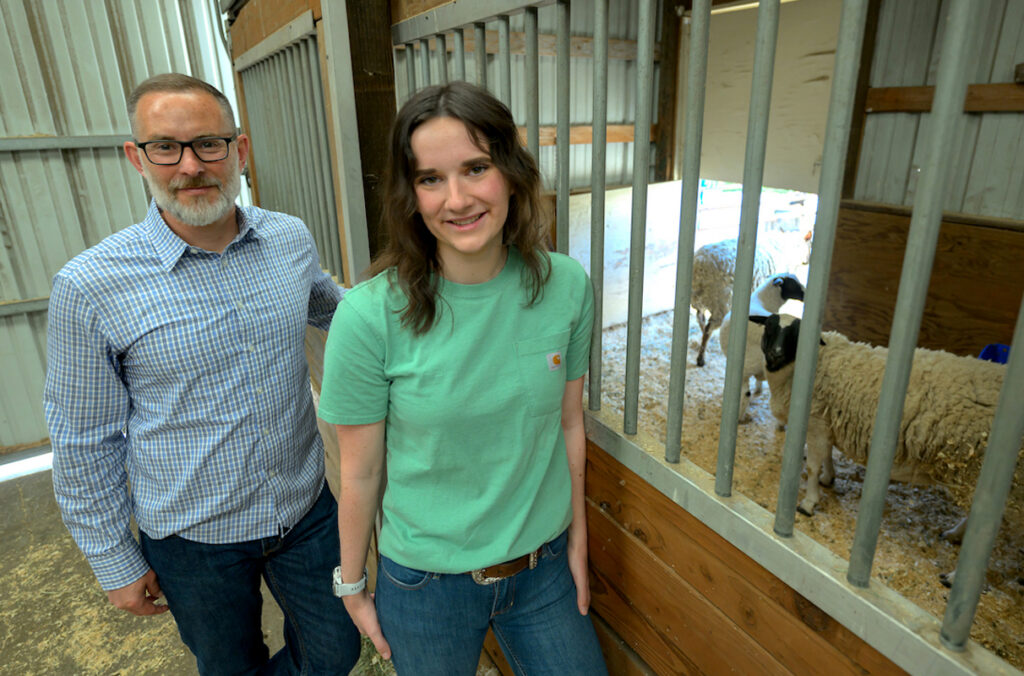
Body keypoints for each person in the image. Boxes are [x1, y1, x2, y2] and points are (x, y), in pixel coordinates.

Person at [43, 73, 360, 675]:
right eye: (166, 147)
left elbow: (330, 305)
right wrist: (114, 559)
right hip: (193, 539)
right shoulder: (90, 286)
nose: (190, 166)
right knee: (229, 664)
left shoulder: (288, 239)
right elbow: (83, 438)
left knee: (337, 649)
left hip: (305, 506)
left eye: (209, 144)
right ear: (137, 158)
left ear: (238, 151)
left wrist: (425, 312)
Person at [317, 81, 608, 675]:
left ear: (511, 171)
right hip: (427, 583)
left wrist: (578, 540)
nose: (457, 199)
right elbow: (362, 470)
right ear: (411, 195)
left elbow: (569, 422)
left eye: (476, 168)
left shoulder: (566, 286)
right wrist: (352, 584)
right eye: (430, 178)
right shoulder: (369, 315)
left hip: (544, 566)